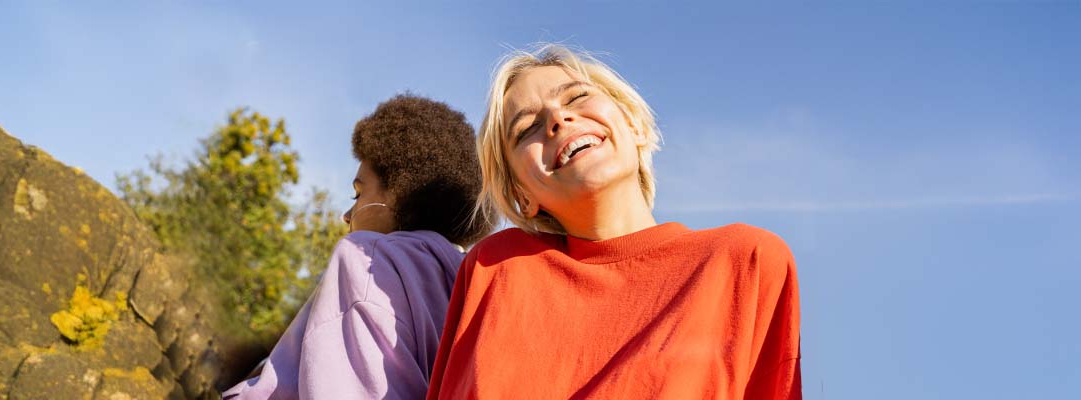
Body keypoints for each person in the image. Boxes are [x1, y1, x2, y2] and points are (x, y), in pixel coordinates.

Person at [426, 45, 802, 399]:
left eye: (576, 98)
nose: (558, 118)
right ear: (522, 196)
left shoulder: (745, 260)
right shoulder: (498, 267)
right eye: (526, 129)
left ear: (634, 125)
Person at [224, 94, 495, 399]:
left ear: (399, 193)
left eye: (358, 193)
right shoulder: (470, 282)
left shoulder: (368, 260)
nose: (347, 215)